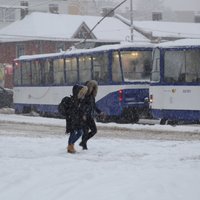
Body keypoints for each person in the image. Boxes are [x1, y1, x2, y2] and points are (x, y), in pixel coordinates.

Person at [79, 80, 105, 150]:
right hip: (84, 116)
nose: (93, 89)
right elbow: (82, 106)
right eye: (92, 88)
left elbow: (94, 106)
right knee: (85, 131)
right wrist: (83, 114)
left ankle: (83, 142)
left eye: (94, 88)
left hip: (89, 116)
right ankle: (84, 146)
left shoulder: (92, 97)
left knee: (94, 130)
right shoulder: (84, 96)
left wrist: (100, 112)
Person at [66, 84, 88, 153]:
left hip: (77, 119)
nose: (82, 94)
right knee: (72, 133)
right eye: (81, 92)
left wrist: (83, 115)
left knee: (80, 132)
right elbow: (71, 110)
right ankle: (70, 147)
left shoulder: (79, 100)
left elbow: (80, 110)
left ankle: (71, 144)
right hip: (71, 119)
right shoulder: (72, 100)